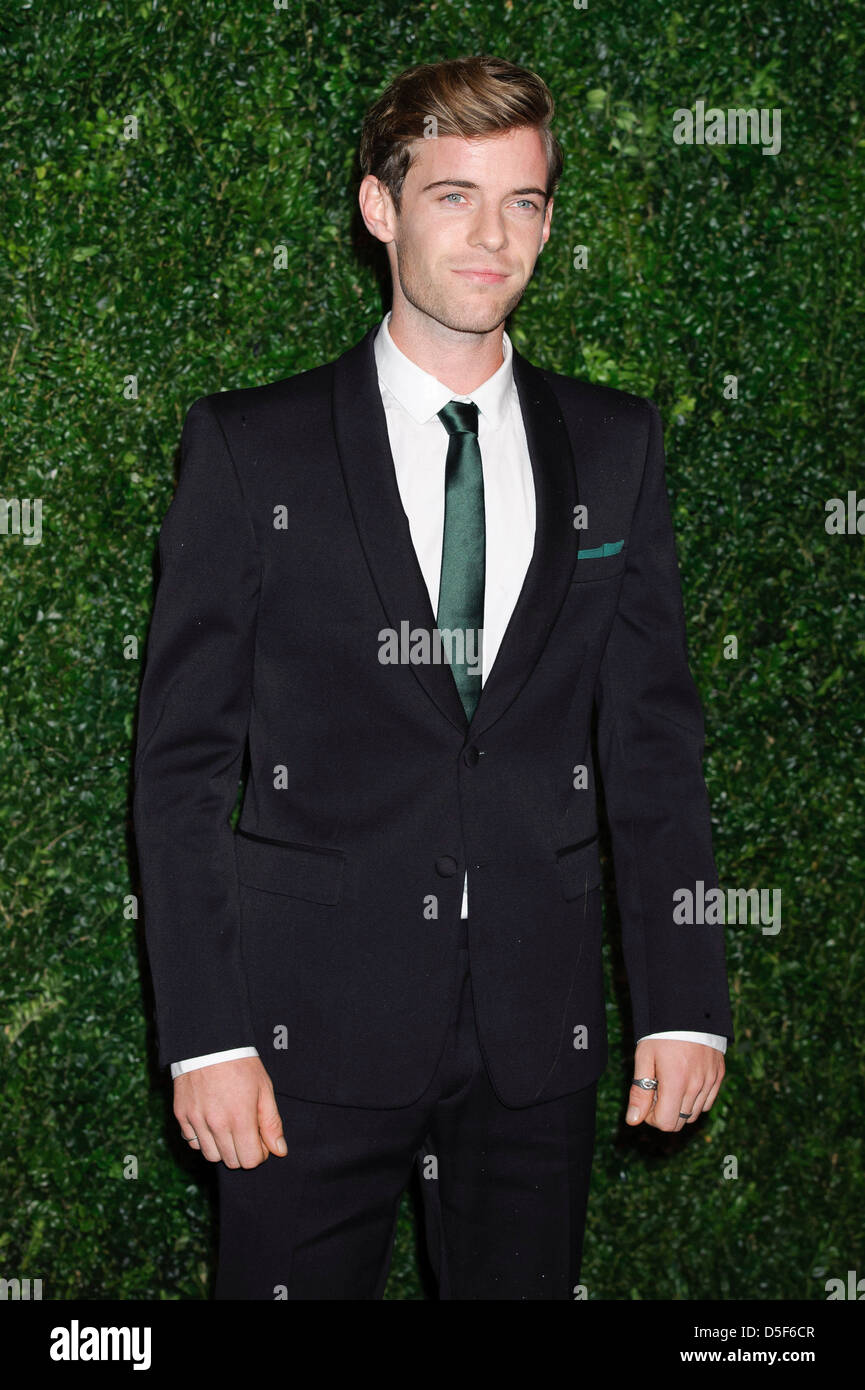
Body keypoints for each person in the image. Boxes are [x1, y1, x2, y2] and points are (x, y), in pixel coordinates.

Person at [133, 54, 733, 1301]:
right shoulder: (253, 447)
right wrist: (207, 1034)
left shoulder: (617, 446)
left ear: (550, 221)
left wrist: (684, 1003)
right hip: (300, 1040)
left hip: (536, 1038)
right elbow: (181, 768)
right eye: (453, 195)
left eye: (521, 201)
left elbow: (653, 748)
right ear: (379, 208)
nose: (491, 233)